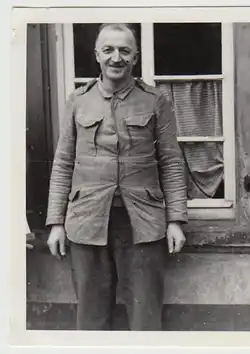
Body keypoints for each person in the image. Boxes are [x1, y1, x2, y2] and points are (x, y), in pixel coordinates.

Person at [45, 23, 188, 331]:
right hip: (86, 221)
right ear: (97, 55)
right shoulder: (78, 101)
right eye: (108, 50)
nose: (116, 58)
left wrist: (176, 220)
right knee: (91, 317)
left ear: (135, 57)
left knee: (145, 315)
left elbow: (172, 162)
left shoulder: (154, 101)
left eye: (124, 50)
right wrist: (56, 222)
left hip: (142, 222)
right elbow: (63, 163)